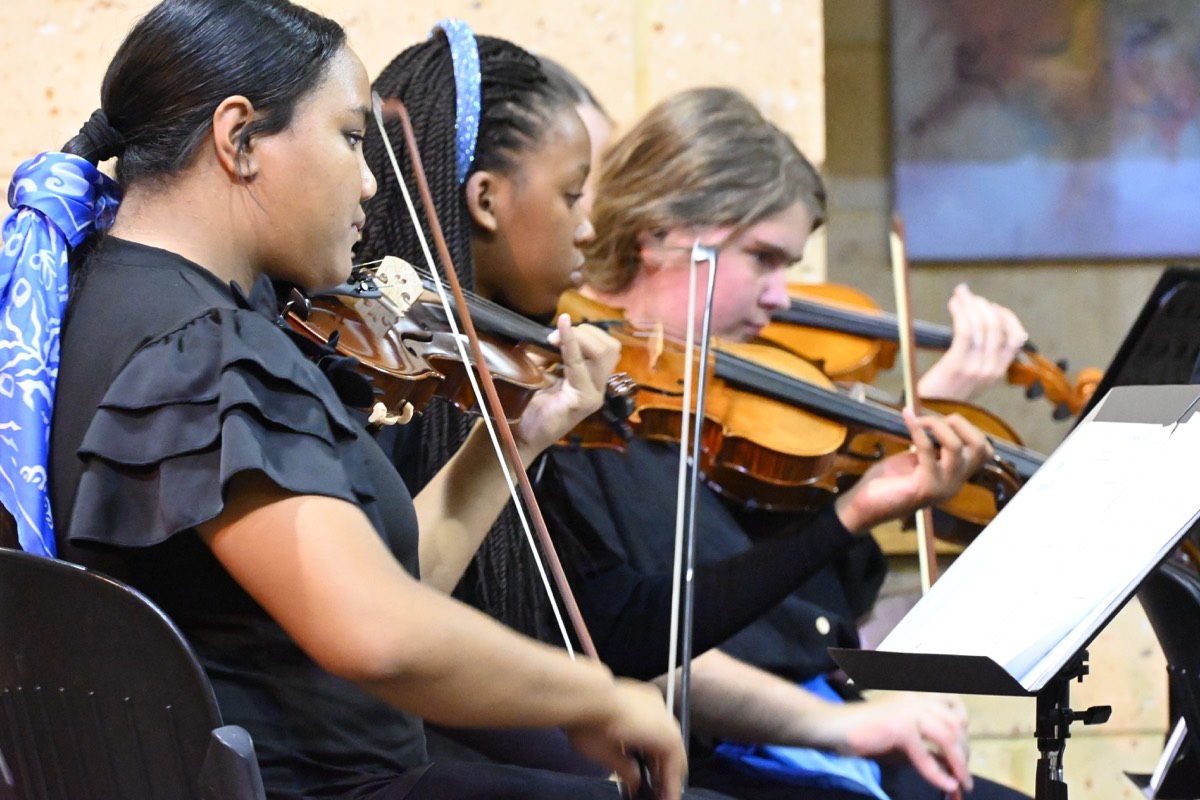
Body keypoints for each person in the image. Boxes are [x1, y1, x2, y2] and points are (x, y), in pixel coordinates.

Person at [14, 2, 704, 798]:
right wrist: (601, 694)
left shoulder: (107, 305)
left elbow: (384, 594)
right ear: (239, 139)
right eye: (349, 137)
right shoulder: (200, 347)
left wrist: (520, 436)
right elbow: (376, 636)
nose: (373, 180)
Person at [356, 24, 1019, 800]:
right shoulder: (427, 397)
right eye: (574, 193)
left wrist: (857, 504)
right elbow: (412, 624)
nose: (587, 225)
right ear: (665, 236)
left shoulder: (535, 391)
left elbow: (631, 623)